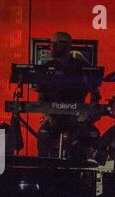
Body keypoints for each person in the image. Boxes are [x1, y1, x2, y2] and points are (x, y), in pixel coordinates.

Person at [36, 32, 101, 160]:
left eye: (56, 43)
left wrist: (88, 113)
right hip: (53, 118)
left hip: (77, 119)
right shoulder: (46, 68)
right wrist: (46, 114)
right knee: (43, 136)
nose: (52, 46)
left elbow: (96, 94)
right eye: (51, 43)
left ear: (68, 45)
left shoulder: (82, 67)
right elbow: (41, 97)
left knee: (90, 137)